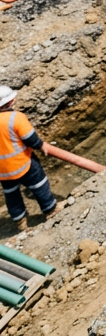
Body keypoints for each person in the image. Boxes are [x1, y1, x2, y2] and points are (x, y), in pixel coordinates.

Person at [0, 86, 56, 232]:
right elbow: (31, 139)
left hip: (3, 172)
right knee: (39, 185)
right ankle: (51, 210)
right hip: (24, 163)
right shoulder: (16, 117)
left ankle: (20, 222)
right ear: (11, 101)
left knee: (11, 195)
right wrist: (41, 146)